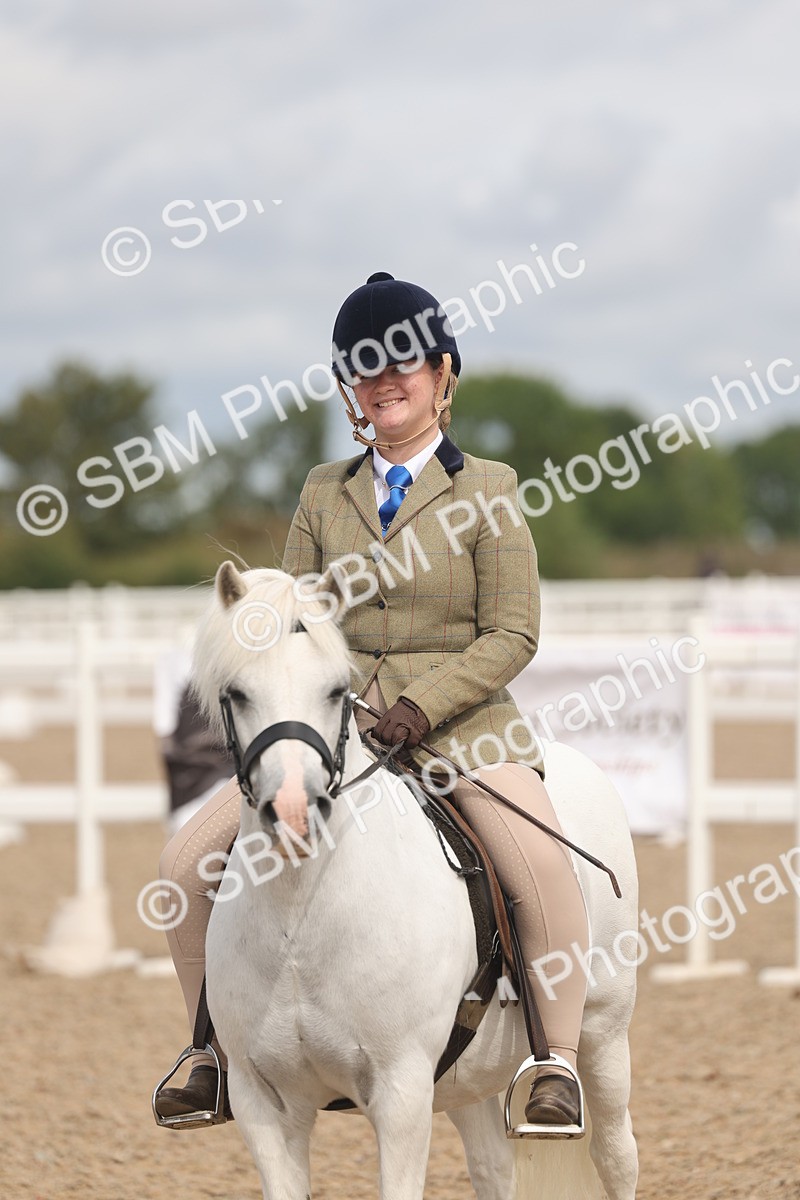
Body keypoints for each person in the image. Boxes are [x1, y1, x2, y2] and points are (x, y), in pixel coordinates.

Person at [154, 272, 590, 1129]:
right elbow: (293, 619)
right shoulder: (325, 491)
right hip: (340, 728)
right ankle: (210, 1049)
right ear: (352, 388)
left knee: (541, 869)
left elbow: (513, 633)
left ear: (441, 374)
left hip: (462, 730)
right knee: (183, 865)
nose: (385, 381)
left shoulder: (489, 490)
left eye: (404, 363)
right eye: (365, 368)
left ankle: (555, 1062)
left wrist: (423, 704)